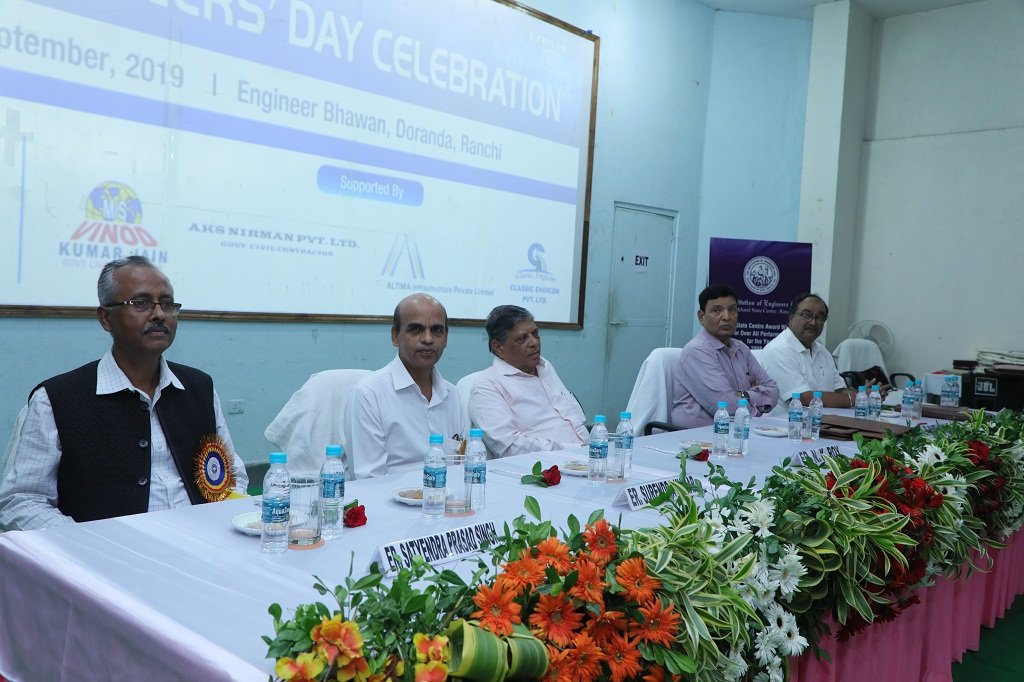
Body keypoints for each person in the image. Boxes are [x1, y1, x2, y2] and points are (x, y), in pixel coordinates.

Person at [0, 256, 248, 531]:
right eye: (140, 303)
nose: (159, 315)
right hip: (106, 559)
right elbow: (21, 501)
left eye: (167, 304)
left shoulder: (199, 387)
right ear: (106, 318)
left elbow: (232, 475)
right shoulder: (56, 399)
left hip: (204, 542)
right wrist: (87, 543)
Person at [346, 293, 465, 478]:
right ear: (395, 336)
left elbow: (460, 466)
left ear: (446, 338)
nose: (428, 339)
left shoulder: (453, 394)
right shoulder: (368, 395)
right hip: (387, 503)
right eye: (416, 329)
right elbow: (367, 479)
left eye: (437, 330)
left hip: (444, 500)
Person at [469, 305, 588, 458]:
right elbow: (508, 447)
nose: (534, 343)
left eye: (535, 334)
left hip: (585, 455)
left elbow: (570, 415)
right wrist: (571, 449)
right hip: (546, 466)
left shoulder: (544, 366)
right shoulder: (487, 386)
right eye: (522, 338)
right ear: (498, 347)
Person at [671, 284, 779, 428]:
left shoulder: (741, 348)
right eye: (717, 311)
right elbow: (725, 406)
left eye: (732, 310)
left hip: (738, 430)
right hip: (698, 437)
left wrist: (741, 396)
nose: (727, 317)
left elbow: (772, 390)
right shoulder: (697, 351)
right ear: (701, 317)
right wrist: (751, 396)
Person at [759, 292, 887, 410]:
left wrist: (865, 395)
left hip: (824, 422)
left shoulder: (822, 351)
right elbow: (804, 398)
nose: (813, 322)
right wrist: (857, 398)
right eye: (806, 315)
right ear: (791, 318)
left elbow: (840, 390)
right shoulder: (779, 349)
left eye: (820, 317)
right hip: (785, 425)